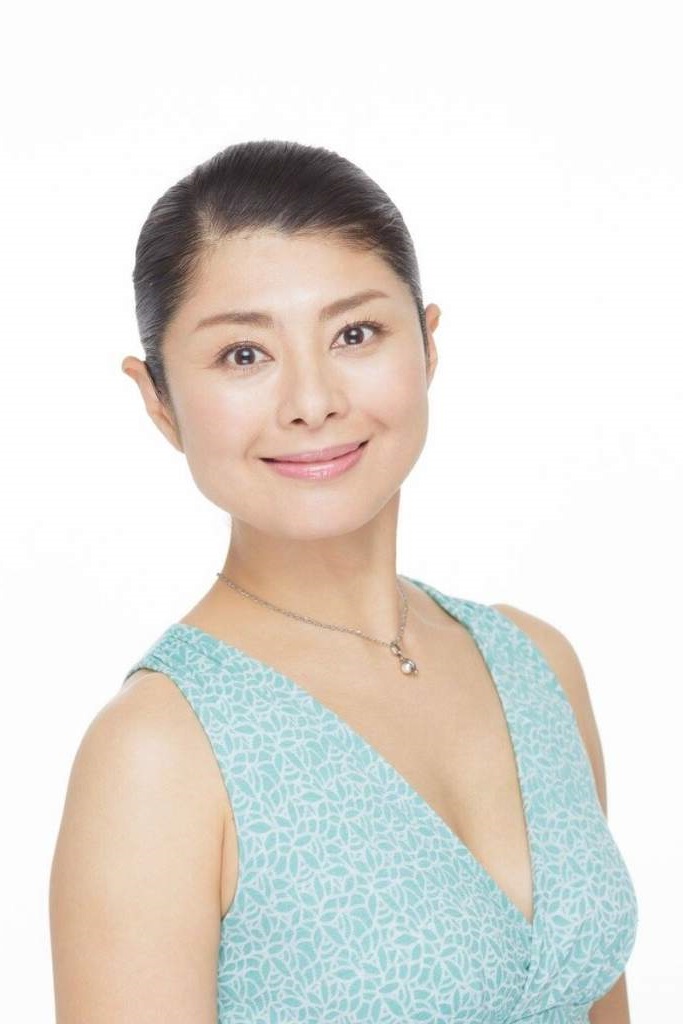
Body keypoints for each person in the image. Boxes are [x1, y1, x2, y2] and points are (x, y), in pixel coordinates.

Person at [49, 140, 637, 1023]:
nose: (312, 400)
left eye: (355, 334)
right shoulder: (159, 755)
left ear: (427, 345)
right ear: (158, 399)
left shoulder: (536, 665)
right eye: (243, 354)